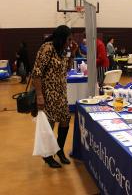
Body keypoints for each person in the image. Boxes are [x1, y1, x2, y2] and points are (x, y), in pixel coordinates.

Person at [32, 25, 78, 168]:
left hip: (61, 94)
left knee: (65, 120)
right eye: (68, 39)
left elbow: (67, 69)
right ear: (61, 37)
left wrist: (73, 53)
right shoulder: (47, 48)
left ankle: (59, 150)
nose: (70, 42)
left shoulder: (63, 50)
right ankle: (47, 155)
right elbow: (36, 73)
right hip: (47, 94)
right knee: (49, 125)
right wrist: (40, 95)